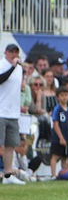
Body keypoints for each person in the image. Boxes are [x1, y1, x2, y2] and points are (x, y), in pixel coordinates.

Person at [1, 44, 25, 185]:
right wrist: (12, 68)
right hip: (1, 111)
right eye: (11, 51)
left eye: (15, 51)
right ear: (5, 52)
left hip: (13, 112)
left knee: (10, 145)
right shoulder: (2, 65)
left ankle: (8, 175)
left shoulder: (19, 69)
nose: (13, 54)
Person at [49, 86, 68, 179]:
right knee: (55, 156)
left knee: (65, 156)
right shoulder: (57, 109)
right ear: (58, 97)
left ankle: (64, 174)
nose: (64, 97)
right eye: (62, 95)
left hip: (67, 137)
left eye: (66, 95)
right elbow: (56, 124)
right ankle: (53, 175)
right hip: (58, 137)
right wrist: (61, 137)